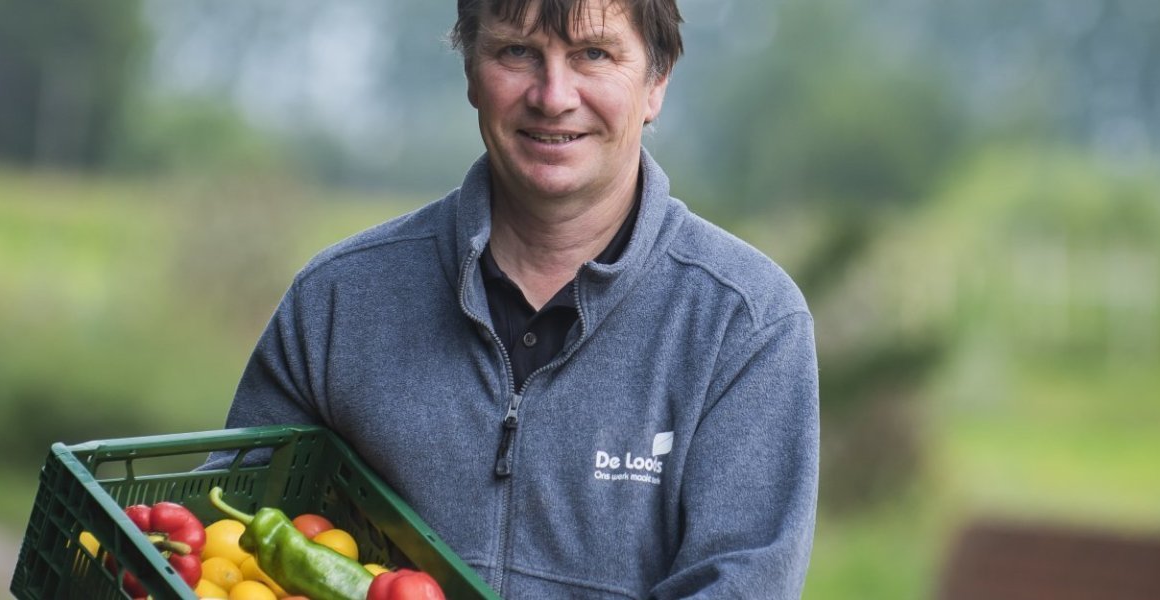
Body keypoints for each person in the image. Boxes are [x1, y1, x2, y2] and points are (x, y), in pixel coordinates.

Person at [209, 0, 818, 597]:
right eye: (518, 51)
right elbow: (220, 552)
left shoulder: (747, 325)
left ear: (656, 81)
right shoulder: (337, 301)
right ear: (472, 70)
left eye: (594, 54)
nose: (553, 97)